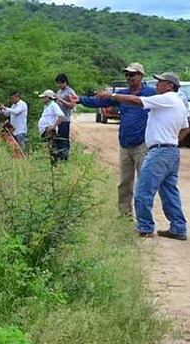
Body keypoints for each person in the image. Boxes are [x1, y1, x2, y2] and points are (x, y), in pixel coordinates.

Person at [96, 73, 190, 239]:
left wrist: (112, 96)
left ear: (170, 86)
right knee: (169, 192)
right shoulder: (180, 103)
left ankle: (145, 227)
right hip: (172, 151)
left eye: (160, 82)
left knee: (143, 191)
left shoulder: (166, 98)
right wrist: (173, 140)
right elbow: (185, 128)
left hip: (159, 151)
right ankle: (178, 228)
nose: (157, 85)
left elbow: (136, 101)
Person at [75, 63, 156, 216]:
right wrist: (80, 99)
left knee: (144, 182)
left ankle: (144, 217)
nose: (129, 77)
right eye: (127, 75)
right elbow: (100, 101)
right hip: (125, 144)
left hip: (142, 144)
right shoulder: (122, 94)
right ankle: (124, 214)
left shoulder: (150, 93)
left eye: (132, 74)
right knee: (125, 182)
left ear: (141, 75)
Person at [38, 89, 65, 163]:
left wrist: (53, 126)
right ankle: (51, 163)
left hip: (50, 130)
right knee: (48, 148)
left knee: (52, 148)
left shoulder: (53, 105)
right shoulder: (47, 106)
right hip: (45, 130)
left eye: (44, 97)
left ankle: (54, 164)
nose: (43, 99)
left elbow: (61, 116)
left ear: (48, 97)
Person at [55, 73, 77, 160]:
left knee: (64, 138)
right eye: (58, 83)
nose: (59, 85)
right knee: (58, 138)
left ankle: (65, 156)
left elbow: (72, 105)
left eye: (60, 83)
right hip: (58, 119)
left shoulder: (70, 92)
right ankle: (59, 155)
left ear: (65, 82)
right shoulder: (59, 91)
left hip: (65, 119)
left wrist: (61, 100)